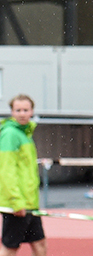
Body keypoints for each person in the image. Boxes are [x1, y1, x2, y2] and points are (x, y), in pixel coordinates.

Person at [0, 94, 46, 256]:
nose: (22, 114)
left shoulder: (25, 134)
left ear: (32, 111)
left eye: (25, 110)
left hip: (29, 203)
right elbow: (6, 171)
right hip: (17, 204)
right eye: (18, 110)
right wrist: (16, 201)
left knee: (40, 244)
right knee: (10, 247)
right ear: (12, 112)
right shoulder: (10, 134)